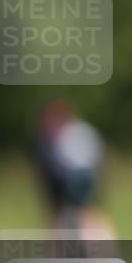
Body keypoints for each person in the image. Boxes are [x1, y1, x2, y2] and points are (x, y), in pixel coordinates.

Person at [33, 99, 115, 239]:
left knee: (77, 215)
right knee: (91, 214)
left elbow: (53, 166)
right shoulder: (83, 131)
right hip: (87, 177)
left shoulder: (58, 137)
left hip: (68, 180)